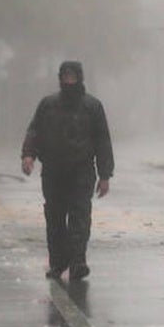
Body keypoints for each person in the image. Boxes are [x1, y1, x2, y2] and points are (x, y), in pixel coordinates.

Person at [21, 61, 114, 281]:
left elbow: (103, 141)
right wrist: (28, 155)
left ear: (80, 78)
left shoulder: (92, 107)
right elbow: (35, 131)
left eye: (73, 76)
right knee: (54, 219)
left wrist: (105, 175)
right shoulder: (48, 105)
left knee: (79, 217)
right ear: (60, 78)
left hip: (81, 171)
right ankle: (57, 263)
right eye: (66, 76)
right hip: (53, 171)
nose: (69, 80)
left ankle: (78, 261)